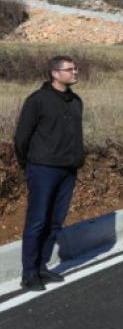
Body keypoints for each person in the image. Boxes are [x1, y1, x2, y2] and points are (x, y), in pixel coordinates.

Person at [14, 55, 84, 292]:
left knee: (55, 221)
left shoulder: (76, 101)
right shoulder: (37, 100)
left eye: (75, 69)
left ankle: (42, 265)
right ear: (55, 73)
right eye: (70, 69)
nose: (75, 72)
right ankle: (29, 272)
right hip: (43, 169)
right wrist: (31, 165)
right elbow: (21, 138)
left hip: (68, 170)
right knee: (37, 221)